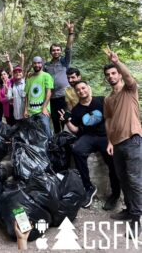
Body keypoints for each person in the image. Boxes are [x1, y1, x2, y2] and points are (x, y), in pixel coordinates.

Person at [58, 81, 120, 209]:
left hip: (104, 136)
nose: (81, 91)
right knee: (77, 150)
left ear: (88, 88)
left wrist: (113, 139)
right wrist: (67, 121)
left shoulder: (101, 100)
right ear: (76, 93)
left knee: (112, 160)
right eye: (78, 90)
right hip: (88, 137)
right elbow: (75, 130)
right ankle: (88, 187)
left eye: (83, 88)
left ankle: (115, 194)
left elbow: (113, 117)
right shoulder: (76, 110)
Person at [103, 48, 142, 238]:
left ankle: (137, 219)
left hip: (133, 140)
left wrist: (117, 62)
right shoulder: (108, 99)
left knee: (135, 181)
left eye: (113, 73)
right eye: (108, 75)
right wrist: (110, 141)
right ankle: (129, 210)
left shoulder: (130, 90)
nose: (111, 76)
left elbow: (129, 76)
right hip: (117, 144)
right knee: (124, 179)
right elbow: (108, 120)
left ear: (118, 74)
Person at [44, 21, 74, 133]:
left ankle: (66, 142)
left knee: (64, 120)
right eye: (53, 50)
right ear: (50, 52)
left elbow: (69, 49)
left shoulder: (64, 62)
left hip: (64, 97)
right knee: (55, 122)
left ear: (60, 52)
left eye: (58, 50)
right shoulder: (46, 65)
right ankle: (57, 145)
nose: (56, 52)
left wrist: (70, 33)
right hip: (52, 98)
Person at [24, 56, 53, 140]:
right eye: (35, 63)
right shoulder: (29, 78)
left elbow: (49, 92)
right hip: (31, 110)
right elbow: (26, 95)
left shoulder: (46, 76)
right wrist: (25, 110)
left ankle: (51, 146)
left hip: (42, 110)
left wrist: (44, 108)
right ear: (32, 64)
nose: (37, 65)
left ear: (42, 64)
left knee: (46, 127)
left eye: (39, 63)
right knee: (31, 131)